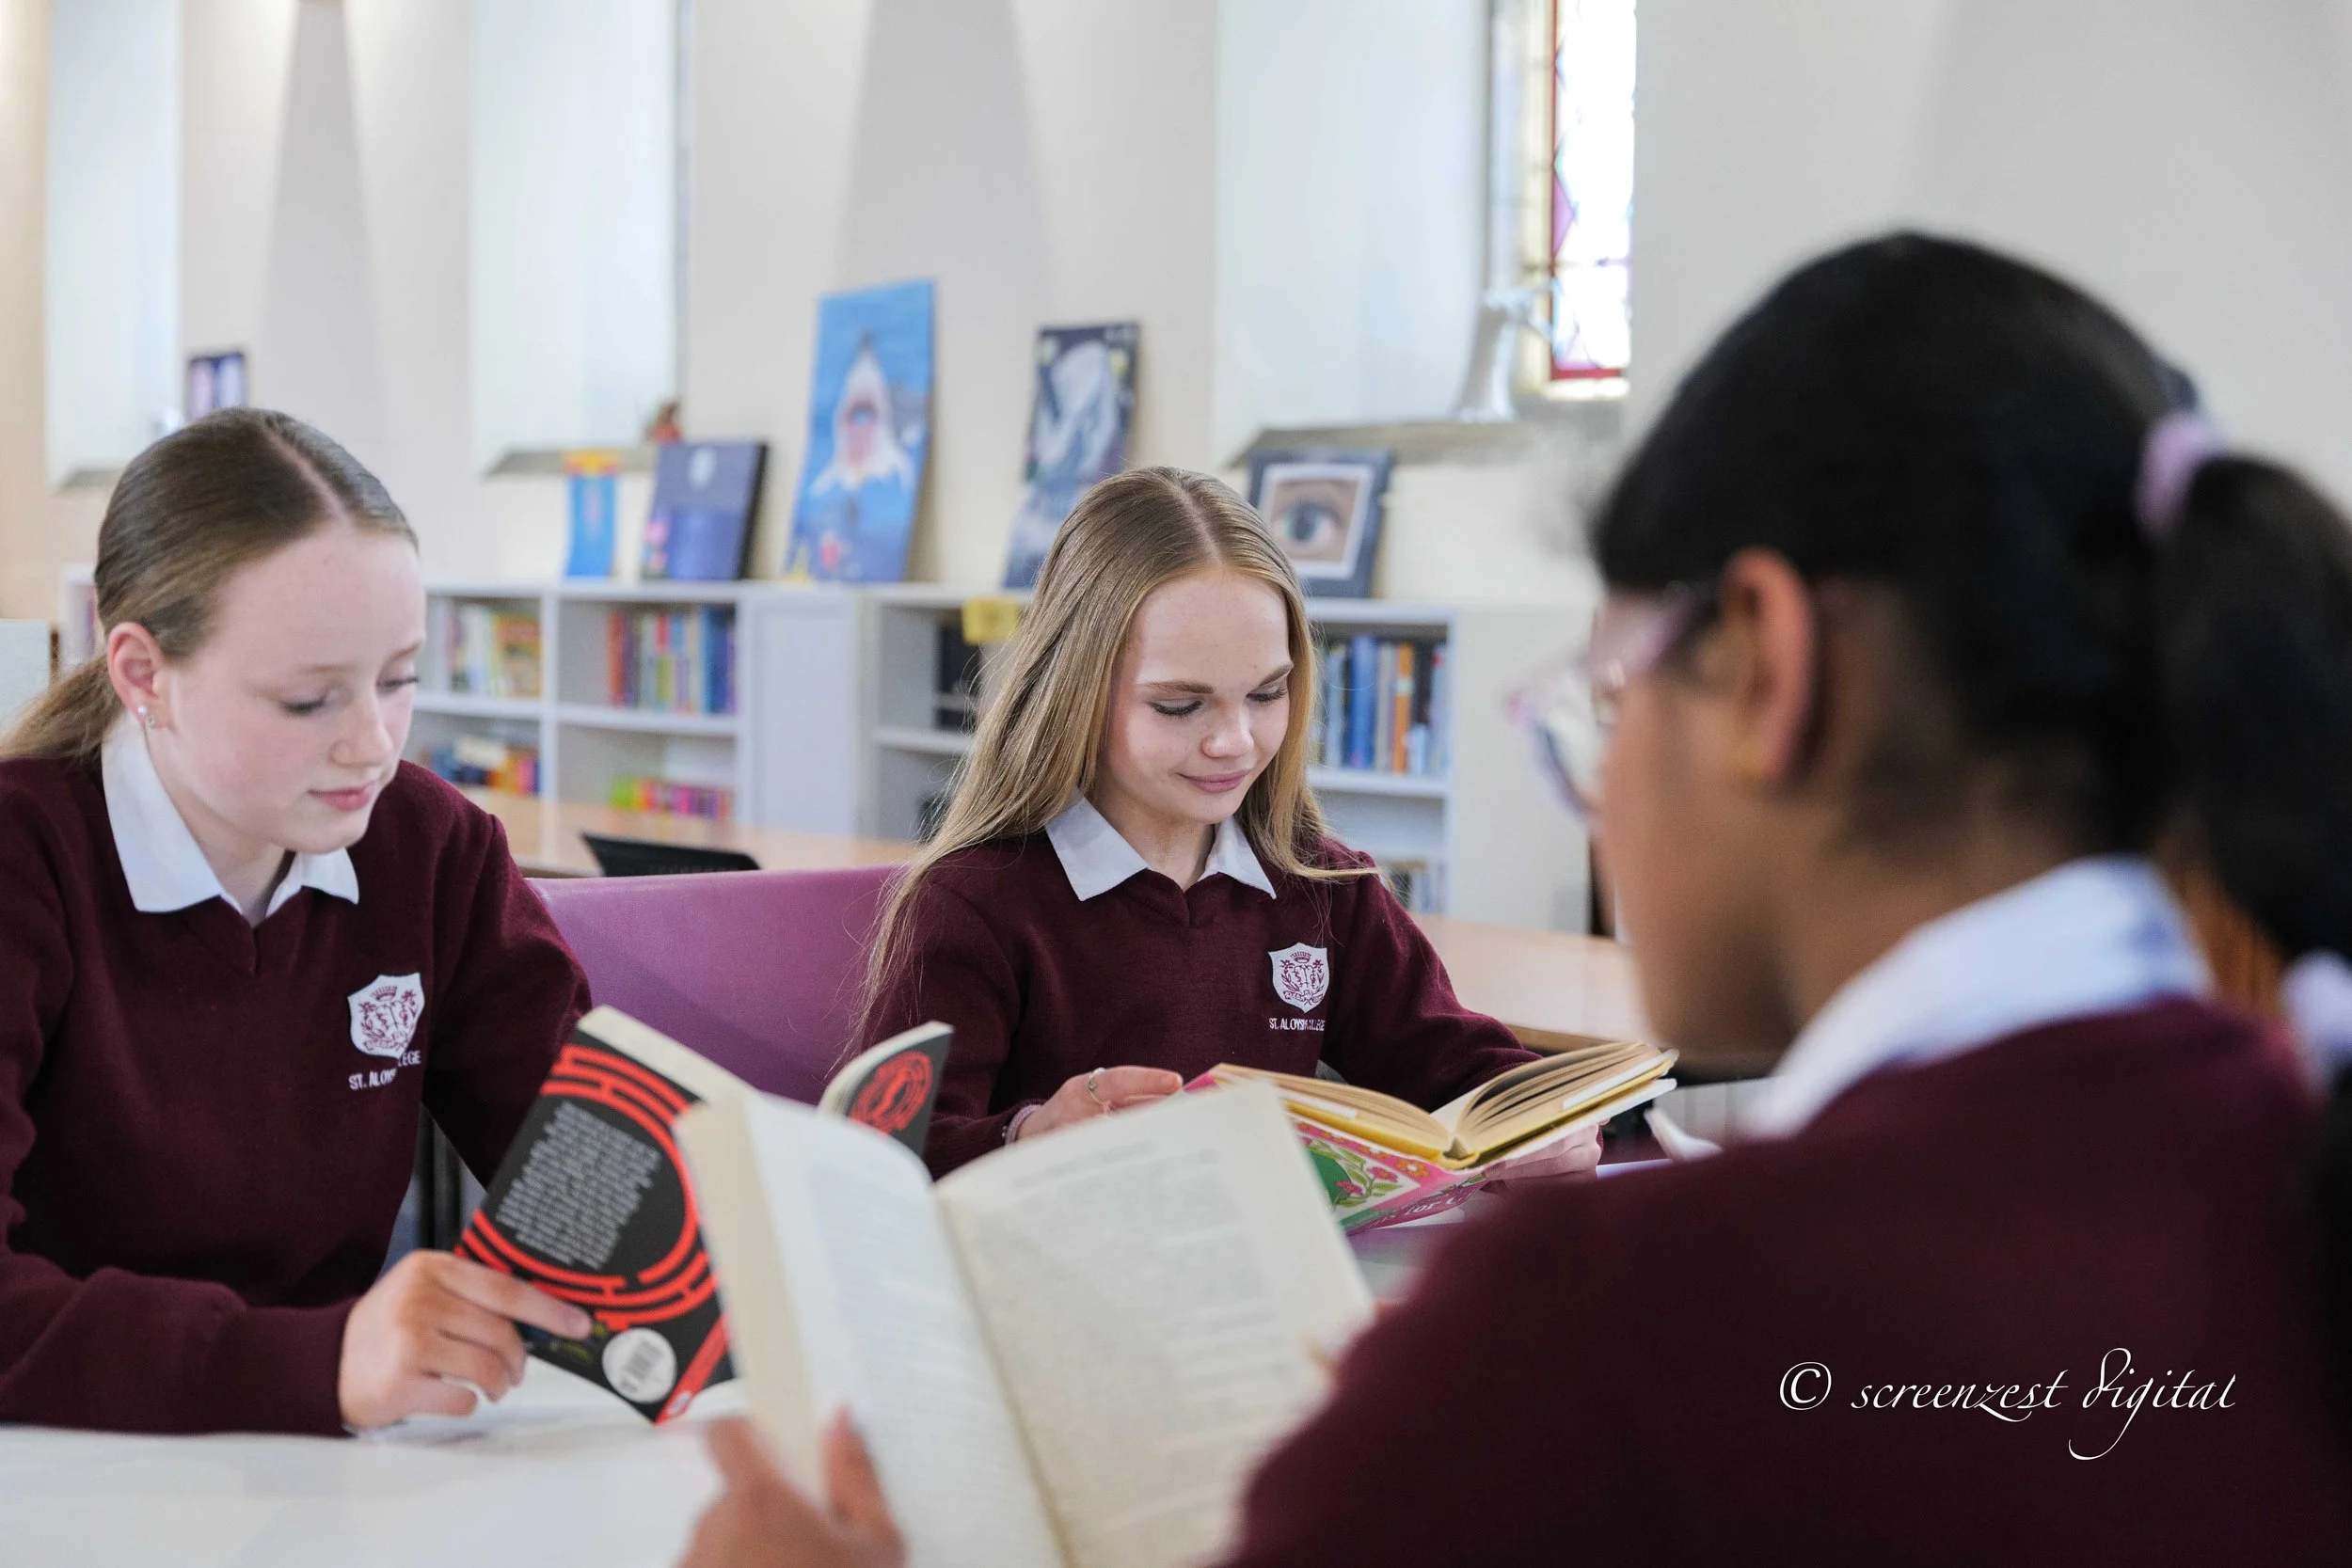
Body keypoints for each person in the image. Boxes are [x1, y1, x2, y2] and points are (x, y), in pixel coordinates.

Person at [678, 234, 2352, 1565]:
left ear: (1763, 667)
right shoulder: (2282, 1148)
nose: (1598, 775)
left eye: (1608, 693)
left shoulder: (1591, 1328)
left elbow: (1467, 1078)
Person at [0, 408, 596, 1437]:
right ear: (142, 673)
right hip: (62, 1454)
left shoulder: (433, 848)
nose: (371, 742)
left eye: (399, 677)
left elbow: (585, 1159)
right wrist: (311, 1360)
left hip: (328, 1454)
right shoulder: (26, 859)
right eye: (308, 699)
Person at [857, 466, 1598, 1185]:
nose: (1235, 740)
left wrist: (1541, 1120)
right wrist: (1025, 1137)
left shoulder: (1322, 887)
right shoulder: (979, 904)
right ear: (1074, 691)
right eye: (1181, 705)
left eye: (1268, 693)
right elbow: (883, 1158)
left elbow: (1454, 1062)